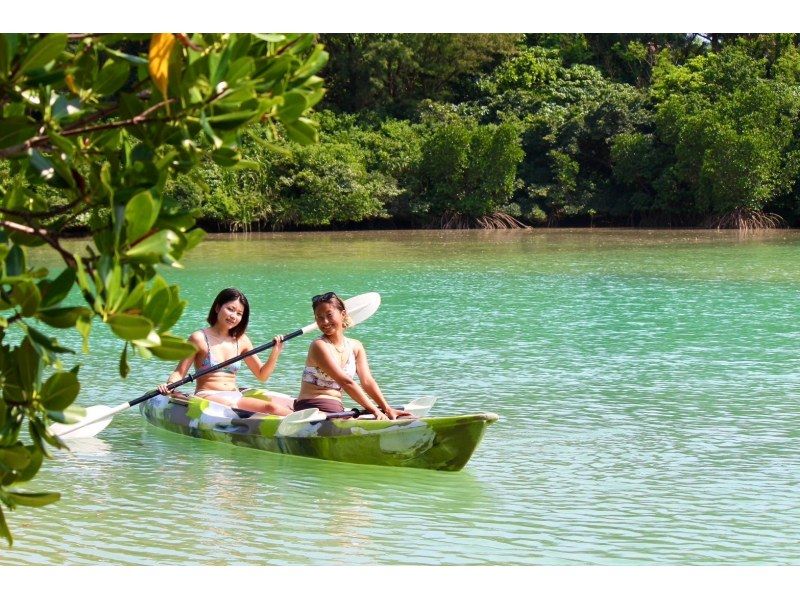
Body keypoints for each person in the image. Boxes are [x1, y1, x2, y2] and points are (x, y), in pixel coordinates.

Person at [157, 288, 294, 415]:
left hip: (235, 395)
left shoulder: (242, 340)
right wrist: (169, 386)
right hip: (207, 396)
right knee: (271, 409)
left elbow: (262, 375)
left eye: (239, 313)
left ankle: (307, 424)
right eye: (230, 309)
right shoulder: (198, 338)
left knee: (276, 406)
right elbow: (180, 372)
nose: (234, 316)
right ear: (217, 307)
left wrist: (276, 351)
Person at [295, 291, 409, 420]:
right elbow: (346, 382)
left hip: (336, 409)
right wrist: (375, 410)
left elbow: (367, 381)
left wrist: (386, 408)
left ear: (343, 314)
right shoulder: (319, 346)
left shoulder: (356, 346)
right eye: (319, 317)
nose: (325, 322)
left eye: (329, 315)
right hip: (311, 407)